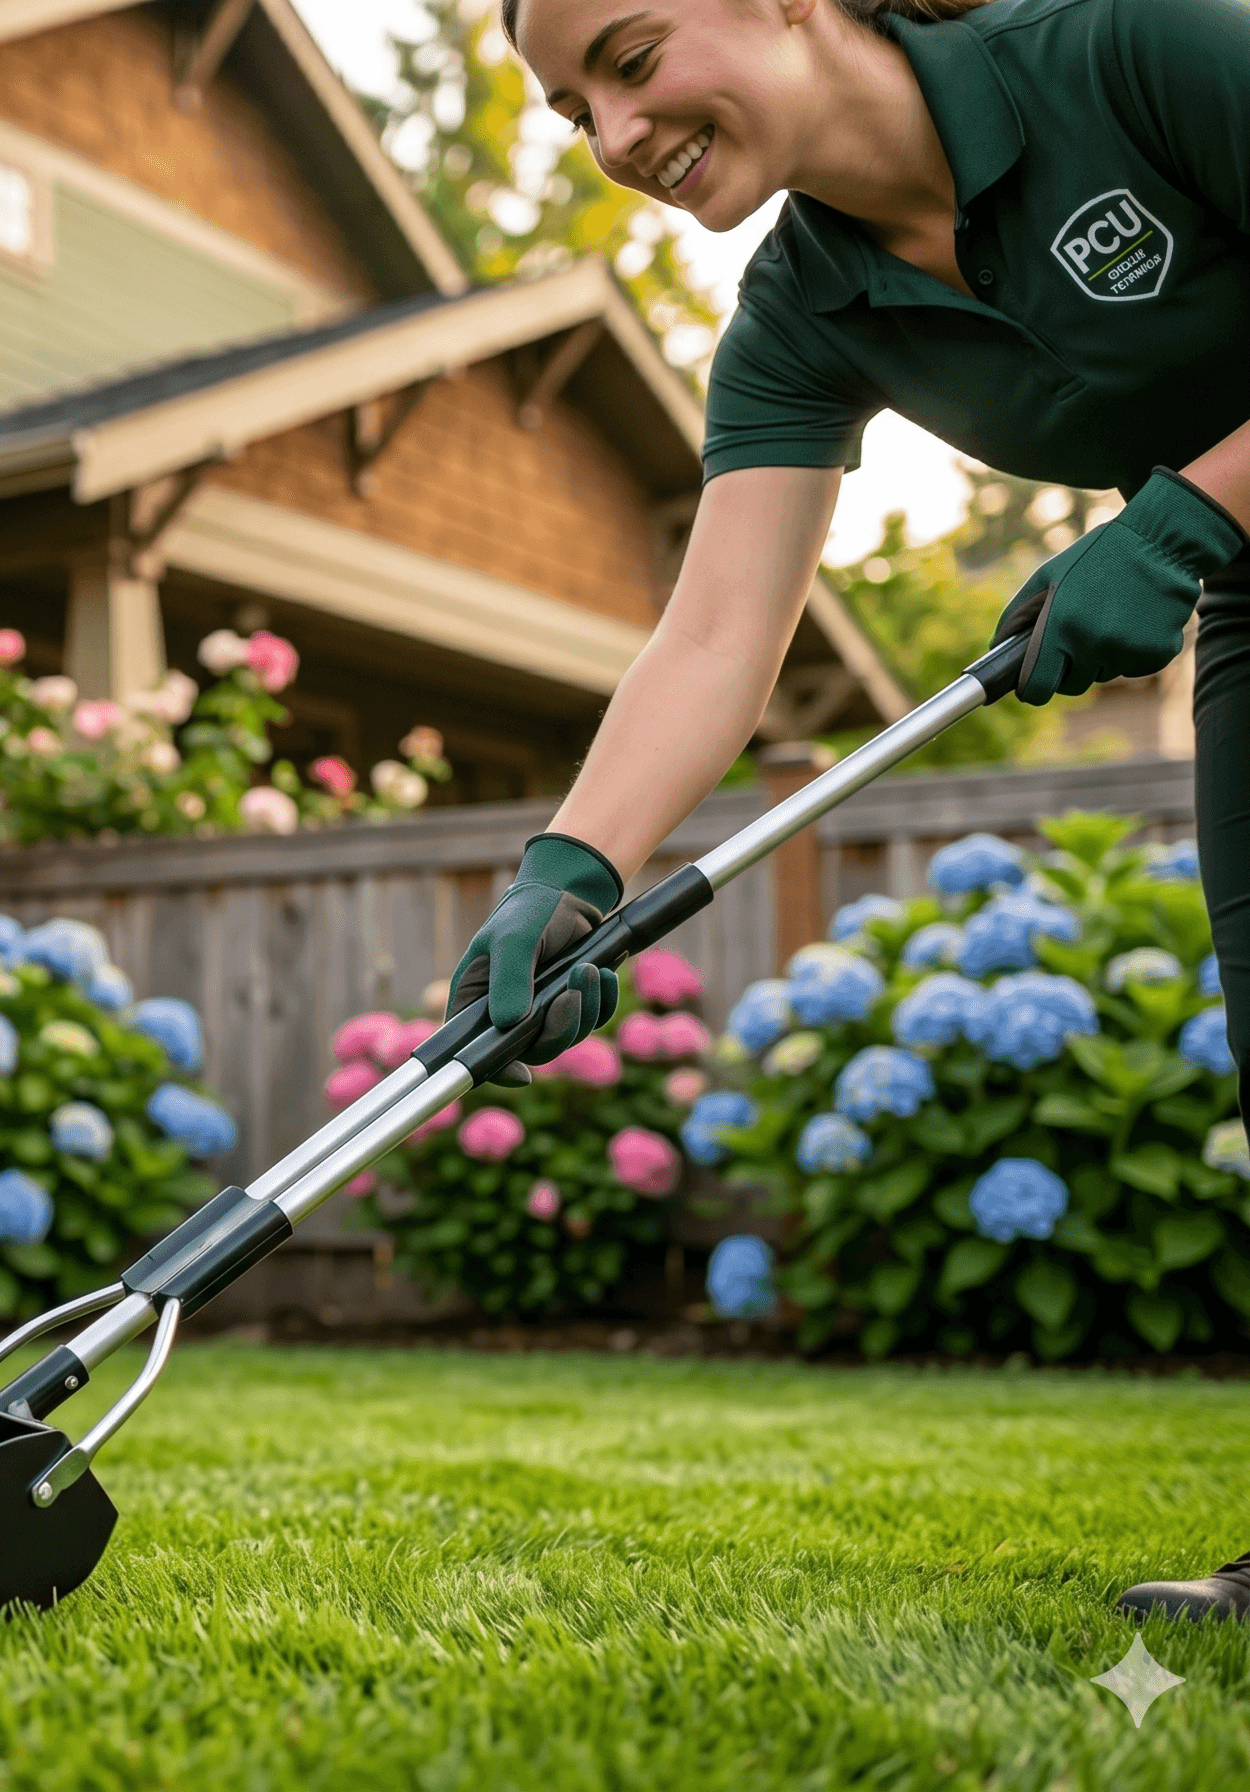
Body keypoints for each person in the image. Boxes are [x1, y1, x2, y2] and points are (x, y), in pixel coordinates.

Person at [456, 0, 1250, 1620]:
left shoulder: (1136, 45)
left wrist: (1189, 518)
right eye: (572, 113)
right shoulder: (801, 311)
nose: (615, 138)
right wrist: (569, 866)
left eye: (631, 58)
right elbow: (717, 633)